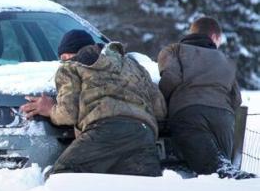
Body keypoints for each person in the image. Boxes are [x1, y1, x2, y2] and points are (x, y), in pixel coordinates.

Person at [21, 29, 166, 178]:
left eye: (63, 57)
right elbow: (160, 109)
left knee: (61, 178)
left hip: (104, 130)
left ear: (68, 54)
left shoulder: (71, 66)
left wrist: (50, 109)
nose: (63, 61)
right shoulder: (133, 66)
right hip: (144, 134)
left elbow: (68, 114)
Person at [157, 16, 243, 177]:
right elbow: (236, 98)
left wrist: (164, 105)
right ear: (215, 37)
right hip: (224, 119)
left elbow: (171, 78)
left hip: (188, 114)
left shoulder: (174, 50)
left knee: (213, 173)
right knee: (221, 174)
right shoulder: (225, 60)